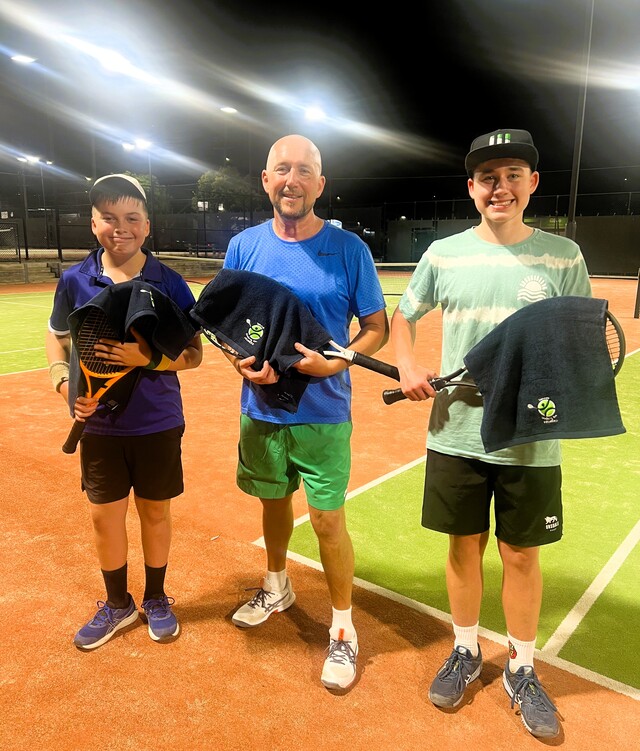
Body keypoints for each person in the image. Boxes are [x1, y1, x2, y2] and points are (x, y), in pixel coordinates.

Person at [390, 129, 591, 738]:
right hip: (457, 431)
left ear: (533, 183)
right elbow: (405, 316)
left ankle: (522, 668)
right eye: (487, 178)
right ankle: (466, 648)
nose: (499, 187)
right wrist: (407, 364)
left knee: (521, 554)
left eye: (512, 176)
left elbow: (581, 340)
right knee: (463, 546)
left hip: (531, 437)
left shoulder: (563, 257)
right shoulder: (444, 254)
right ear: (472, 188)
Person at [223, 134, 387, 690]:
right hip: (261, 409)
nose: (291, 180)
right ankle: (277, 586)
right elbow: (227, 324)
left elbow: (375, 327)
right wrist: (242, 362)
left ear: (320, 184)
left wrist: (336, 364)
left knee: (326, 520)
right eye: (282, 169)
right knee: (273, 503)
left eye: (304, 171)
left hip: (323, 412)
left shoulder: (348, 249)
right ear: (266, 179)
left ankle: (342, 628)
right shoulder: (243, 246)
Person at [46, 174, 203, 650]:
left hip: (157, 422)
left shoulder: (169, 282)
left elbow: (193, 355)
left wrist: (146, 359)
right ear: (93, 223)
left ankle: (155, 598)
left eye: (132, 218)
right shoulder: (74, 280)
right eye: (109, 218)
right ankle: (118, 604)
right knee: (105, 518)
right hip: (98, 426)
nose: (121, 228)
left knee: (155, 513)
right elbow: (58, 337)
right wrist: (62, 383)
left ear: (147, 225)